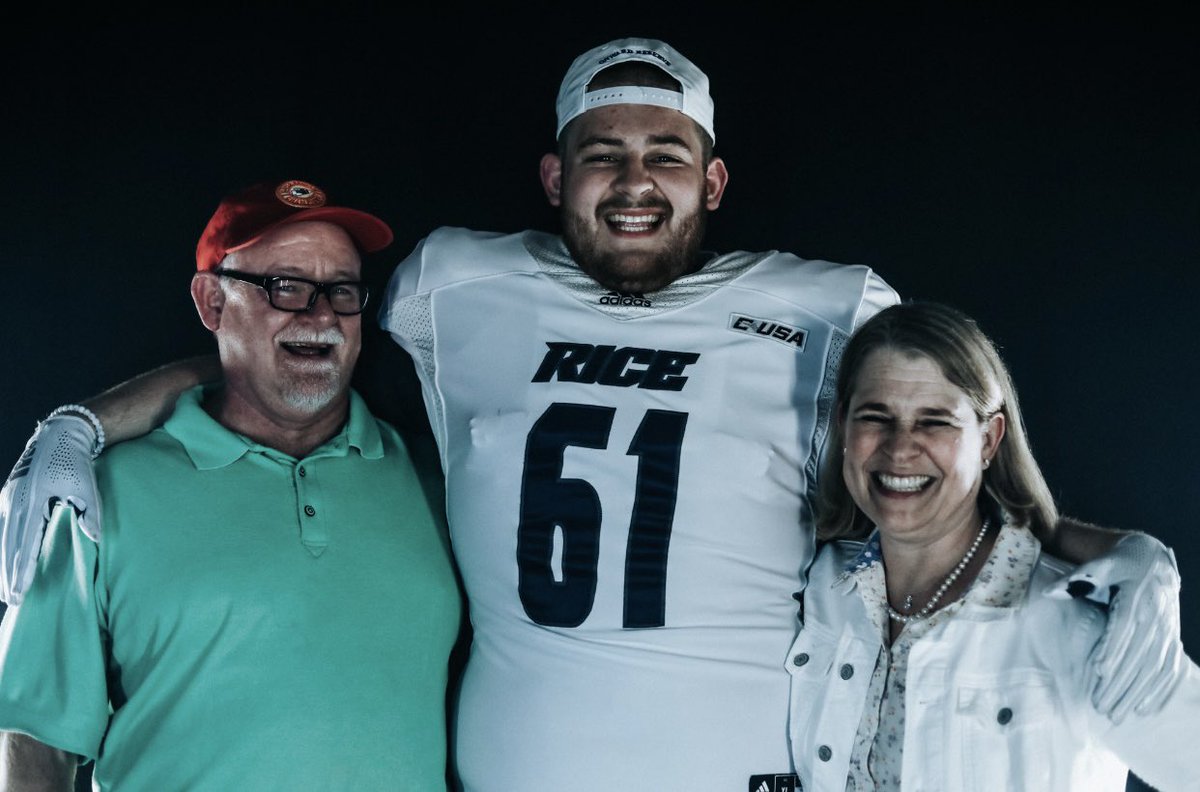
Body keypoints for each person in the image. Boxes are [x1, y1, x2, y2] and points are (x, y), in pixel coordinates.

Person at [0, 39, 1184, 791]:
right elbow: (283, 345)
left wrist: (1114, 549)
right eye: (601, 153)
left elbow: (947, 439)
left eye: (666, 155)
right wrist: (86, 424)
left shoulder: (827, 306)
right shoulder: (459, 284)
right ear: (554, 177)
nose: (633, 182)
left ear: (711, 181)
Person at [0, 180, 463, 790]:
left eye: (341, 290)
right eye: (286, 285)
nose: (319, 314)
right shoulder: (96, 497)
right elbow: (34, 741)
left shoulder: (438, 482)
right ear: (212, 303)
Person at [788, 301, 1197, 791]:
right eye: (876, 416)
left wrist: (1149, 562)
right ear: (843, 426)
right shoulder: (818, 590)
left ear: (988, 439)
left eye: (935, 421)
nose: (899, 449)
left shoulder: (1077, 626)